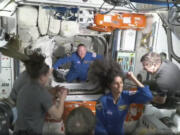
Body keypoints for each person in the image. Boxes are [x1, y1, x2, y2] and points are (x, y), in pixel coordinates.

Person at [88, 58, 153, 135]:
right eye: (116, 83)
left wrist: (133, 78)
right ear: (110, 85)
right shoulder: (102, 101)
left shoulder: (126, 96)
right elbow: (99, 125)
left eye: (121, 82)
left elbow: (148, 96)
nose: (120, 86)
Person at [13, 52, 68, 135]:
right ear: (42, 77)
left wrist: (53, 90)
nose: (48, 79)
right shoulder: (40, 92)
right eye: (47, 76)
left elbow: (37, 98)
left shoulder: (25, 87)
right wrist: (62, 98)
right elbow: (57, 115)